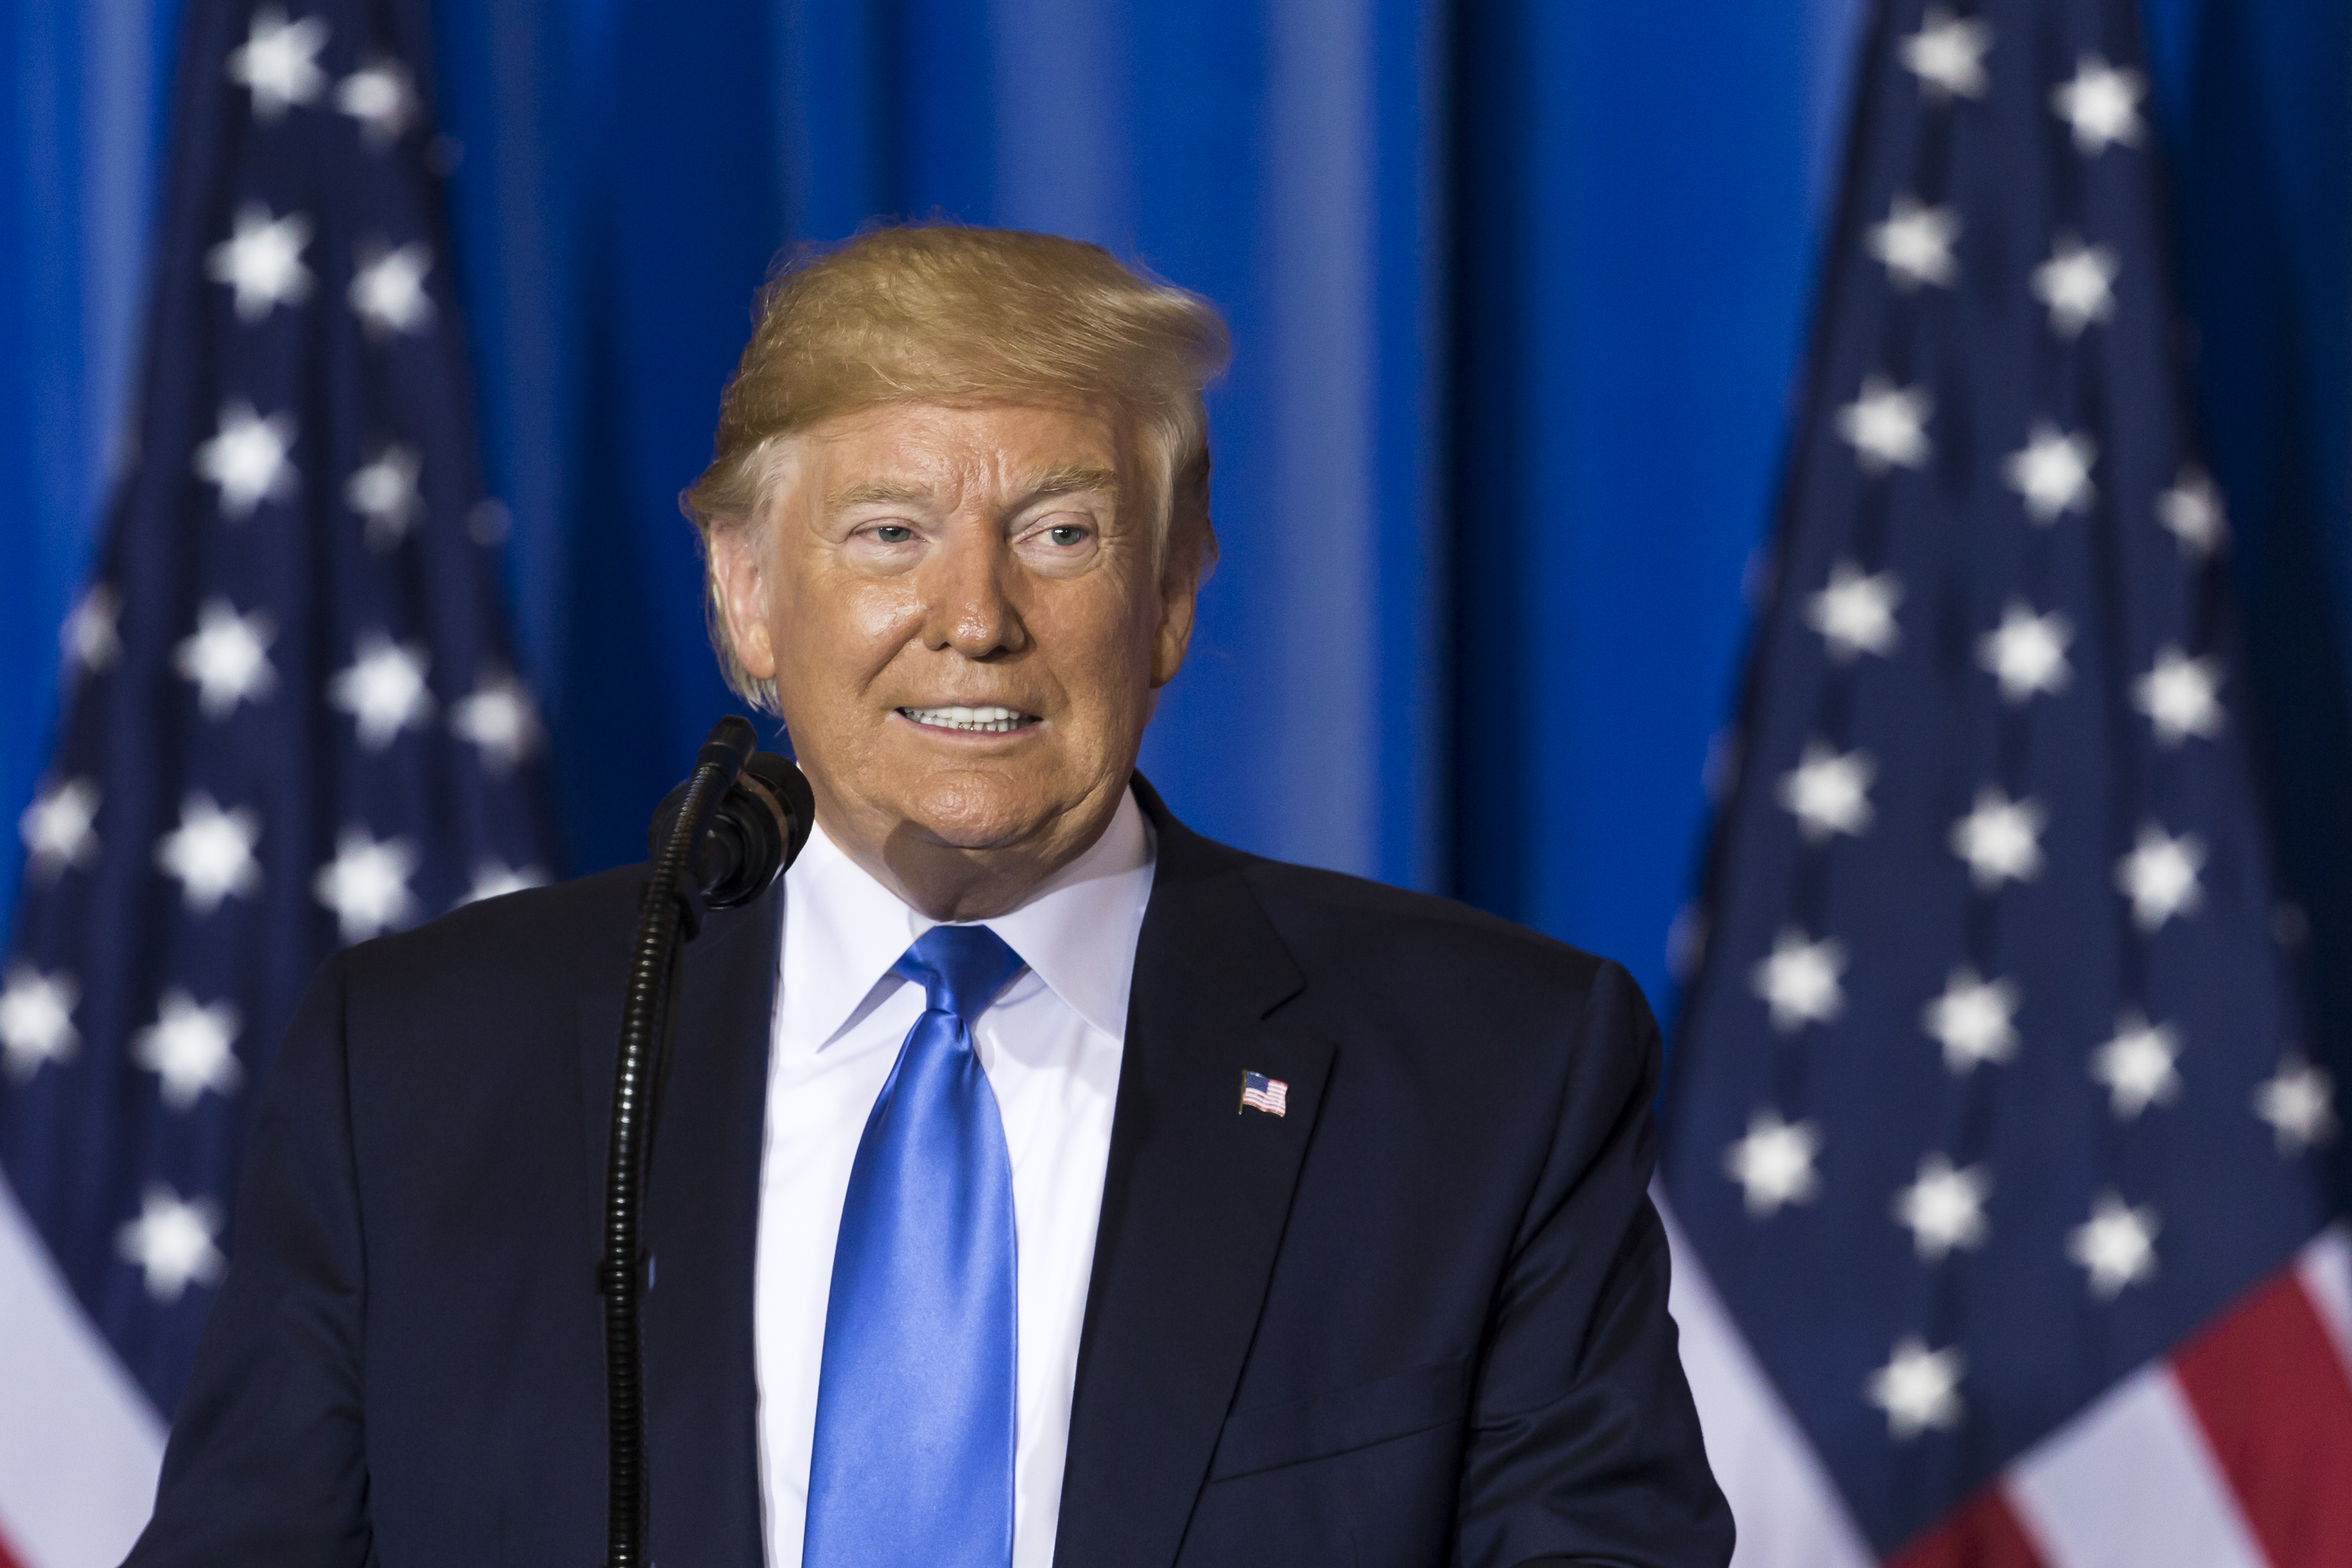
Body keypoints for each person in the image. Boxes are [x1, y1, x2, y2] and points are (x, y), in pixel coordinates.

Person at [126, 226, 1732, 1568]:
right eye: (889, 532)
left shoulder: (1486, 1073)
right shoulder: (421, 1063)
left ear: (1170, 597)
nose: (976, 615)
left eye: (1062, 532)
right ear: (749, 599)